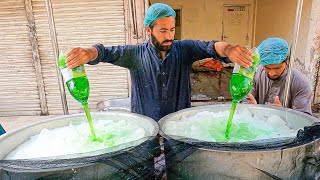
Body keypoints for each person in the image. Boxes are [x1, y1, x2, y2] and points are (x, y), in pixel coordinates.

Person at [66, 3, 253, 121]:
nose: (170, 36)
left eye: (172, 29)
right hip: (146, 128)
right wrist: (88, 53)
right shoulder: (135, 54)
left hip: (177, 125)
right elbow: (106, 52)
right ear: (148, 30)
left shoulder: (184, 50)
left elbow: (210, 47)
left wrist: (229, 49)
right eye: (163, 31)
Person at [247, 37, 312, 115]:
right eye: (267, 68)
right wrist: (250, 108)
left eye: (277, 68)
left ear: (287, 61)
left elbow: (303, 118)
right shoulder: (255, 74)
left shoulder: (301, 83)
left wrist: (283, 114)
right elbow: (246, 99)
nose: (272, 73)